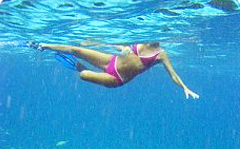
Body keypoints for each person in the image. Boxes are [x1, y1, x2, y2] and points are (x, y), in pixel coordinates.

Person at [35, 41, 199, 99]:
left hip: (117, 79)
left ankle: (76, 65)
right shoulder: (142, 37)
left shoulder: (161, 54)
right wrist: (121, 48)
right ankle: (44, 46)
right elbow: (118, 45)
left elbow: (173, 75)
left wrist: (184, 87)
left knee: (84, 75)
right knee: (77, 50)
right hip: (110, 61)